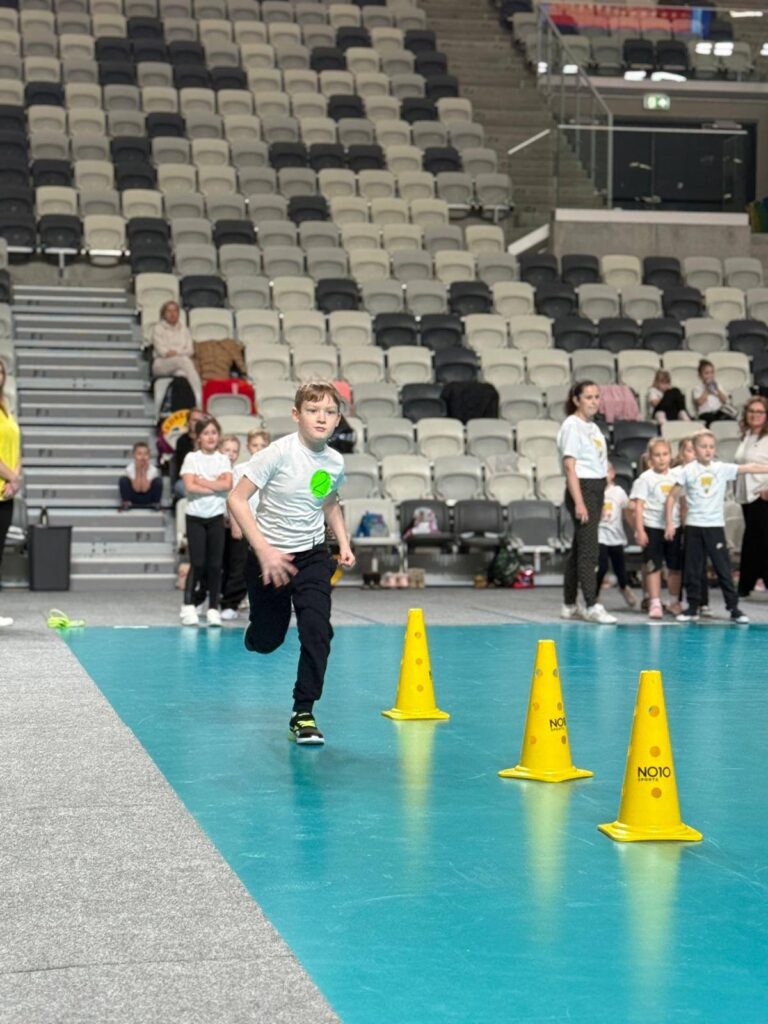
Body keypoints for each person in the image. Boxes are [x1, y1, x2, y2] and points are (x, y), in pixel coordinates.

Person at [227, 383, 355, 745]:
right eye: (313, 410)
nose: (321, 418)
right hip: (269, 557)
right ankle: (257, 635)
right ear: (297, 415)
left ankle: (303, 711)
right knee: (268, 640)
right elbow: (236, 500)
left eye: (329, 412)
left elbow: (328, 501)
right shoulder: (276, 454)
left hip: (313, 555)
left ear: (338, 420)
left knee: (317, 629)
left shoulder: (334, 460)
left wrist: (343, 541)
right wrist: (264, 551)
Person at [665, 429, 768, 623]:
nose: (708, 450)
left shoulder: (721, 468)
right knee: (693, 569)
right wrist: (670, 523)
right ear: (695, 449)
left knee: (723, 568)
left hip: (714, 527)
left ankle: (733, 608)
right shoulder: (687, 470)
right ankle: (692, 607)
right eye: (703, 446)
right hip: (694, 527)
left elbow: (750, 467)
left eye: (711, 447)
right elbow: (671, 497)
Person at [557, 381, 616, 624]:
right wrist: (579, 502)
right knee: (590, 551)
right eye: (588, 397)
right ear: (576, 400)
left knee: (579, 549)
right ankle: (591, 604)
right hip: (583, 489)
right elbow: (570, 466)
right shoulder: (572, 426)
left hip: (595, 489)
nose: (594, 401)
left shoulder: (593, 427)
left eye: (596, 397)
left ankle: (569, 603)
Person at [179, 414, 232, 627]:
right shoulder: (191, 458)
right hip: (195, 517)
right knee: (198, 563)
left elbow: (226, 485)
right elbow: (189, 486)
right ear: (198, 437)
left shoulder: (223, 459)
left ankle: (212, 608)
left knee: (215, 565)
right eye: (206, 433)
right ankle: (188, 606)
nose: (210, 437)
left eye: (214, 433)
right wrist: (213, 484)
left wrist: (202, 481)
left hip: (216, 517)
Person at [631, 438, 683, 619]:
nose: (661, 458)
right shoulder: (645, 478)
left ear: (670, 456)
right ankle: (655, 602)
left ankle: (674, 601)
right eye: (657, 455)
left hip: (674, 527)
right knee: (653, 566)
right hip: (652, 526)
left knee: (675, 567)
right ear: (650, 458)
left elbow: (682, 502)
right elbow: (638, 506)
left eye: (665, 454)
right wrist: (640, 530)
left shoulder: (677, 476)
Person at [734, 396, 768, 598]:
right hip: (747, 495)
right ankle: (751, 582)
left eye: (760, 412)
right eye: (751, 411)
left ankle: (745, 585)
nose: (755, 415)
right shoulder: (746, 435)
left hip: (763, 494)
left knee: (756, 540)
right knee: (757, 540)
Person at [674, 435, 710, 615]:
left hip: (697, 523)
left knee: (699, 563)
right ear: (681, 453)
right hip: (677, 523)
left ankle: (703, 602)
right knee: (680, 564)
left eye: (695, 451)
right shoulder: (675, 474)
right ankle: (678, 600)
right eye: (689, 450)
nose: (693, 454)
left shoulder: (705, 472)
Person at [597, 462, 636, 610]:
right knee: (601, 567)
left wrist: (636, 527)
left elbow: (628, 509)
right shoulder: (595, 493)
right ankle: (594, 594)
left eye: (606, 472)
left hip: (616, 537)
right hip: (600, 535)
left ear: (612, 473)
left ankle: (624, 587)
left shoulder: (618, 492)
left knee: (620, 568)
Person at [151, 300, 203, 406]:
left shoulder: (185, 330)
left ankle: (182, 405)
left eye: (175, 311)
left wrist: (176, 352)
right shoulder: (158, 329)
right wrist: (179, 353)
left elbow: (190, 350)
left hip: (181, 364)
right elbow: (162, 351)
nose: (172, 314)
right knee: (184, 361)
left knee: (182, 374)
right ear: (164, 314)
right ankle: (199, 399)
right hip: (162, 363)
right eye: (169, 311)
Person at [0, 357, 19, 626]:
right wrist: (13, 477)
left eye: (1, 371)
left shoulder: (7, 406)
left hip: (6, 492)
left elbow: (16, 448)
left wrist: (16, 480)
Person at [171, 406, 204, 499]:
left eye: (200, 420)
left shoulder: (208, 439)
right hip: (185, 480)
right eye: (194, 420)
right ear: (188, 422)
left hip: (206, 480)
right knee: (180, 486)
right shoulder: (181, 441)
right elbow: (184, 467)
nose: (197, 423)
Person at [119, 441, 162, 510]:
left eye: (146, 454)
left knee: (158, 481)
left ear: (149, 456)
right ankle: (126, 503)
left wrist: (144, 472)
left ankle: (156, 503)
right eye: (139, 454)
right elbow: (137, 489)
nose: (143, 457)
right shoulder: (129, 469)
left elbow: (144, 490)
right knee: (123, 480)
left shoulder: (153, 469)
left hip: (148, 496)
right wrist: (138, 471)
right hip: (133, 496)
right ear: (134, 455)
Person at [692, 359, 734, 426]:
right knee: (712, 421)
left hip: (718, 411)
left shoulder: (718, 386)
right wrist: (707, 390)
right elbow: (700, 402)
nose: (710, 375)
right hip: (705, 413)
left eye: (712, 372)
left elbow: (725, 400)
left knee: (729, 418)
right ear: (700, 376)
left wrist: (718, 390)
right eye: (707, 373)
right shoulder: (698, 388)